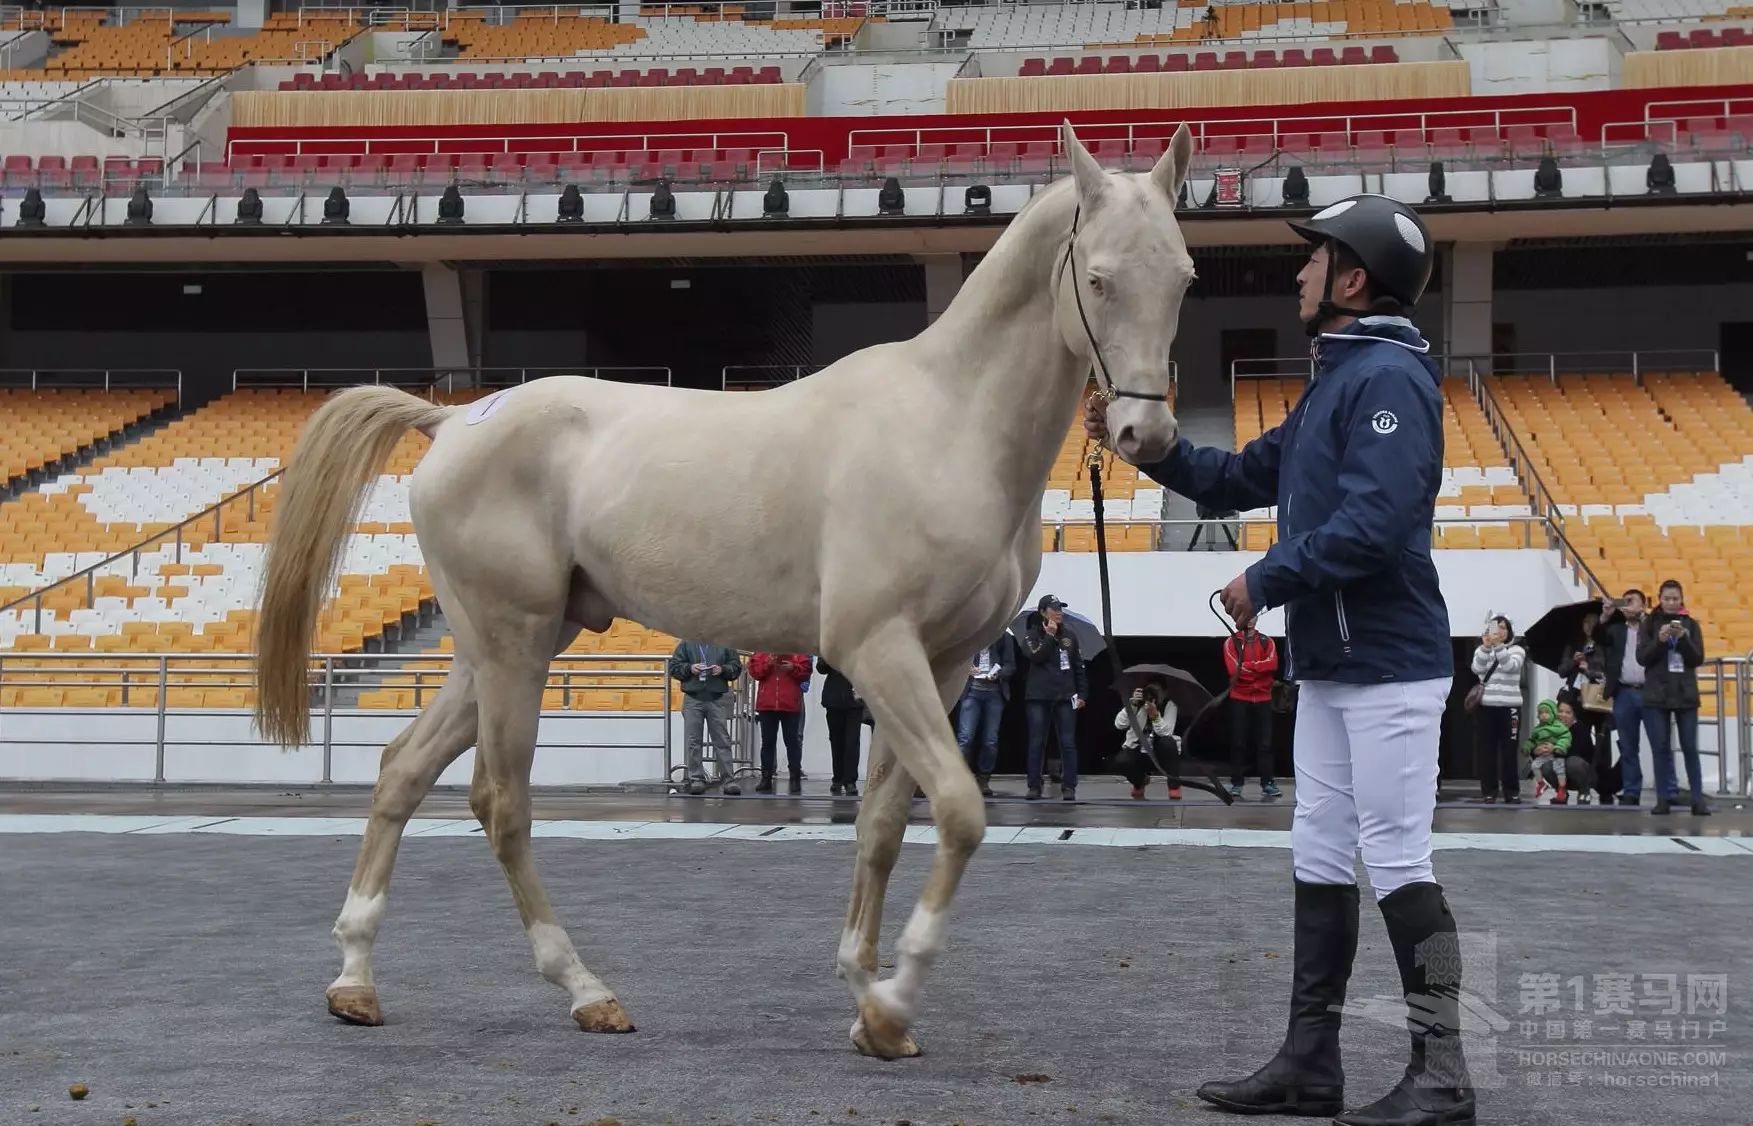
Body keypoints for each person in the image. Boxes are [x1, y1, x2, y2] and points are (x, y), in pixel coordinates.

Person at [1089, 195, 1474, 1124]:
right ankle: (1310, 1064)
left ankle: (1445, 1071)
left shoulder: (1387, 379)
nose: (1297, 273)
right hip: (1336, 666)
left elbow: (1375, 526)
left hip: (1388, 663)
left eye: (1314, 260)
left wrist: (1266, 579)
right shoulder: (1337, 379)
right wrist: (1146, 444)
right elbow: (1233, 478)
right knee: (1319, 852)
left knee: (1396, 857)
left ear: (1352, 280)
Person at [1637, 580, 1709, 816]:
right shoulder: (1648, 624)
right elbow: (1642, 658)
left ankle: (1698, 800)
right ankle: (1662, 799)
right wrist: (1659, 641)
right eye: (1667, 598)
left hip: (1685, 693)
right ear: (1659, 598)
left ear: (1681, 600)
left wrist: (1685, 638)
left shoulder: (1692, 625)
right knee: (1660, 748)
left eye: (1675, 598)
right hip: (1657, 694)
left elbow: (1697, 658)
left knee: (1690, 747)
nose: (1671, 602)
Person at [1018, 594, 1087, 802]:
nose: (1059, 612)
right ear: (1042, 612)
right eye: (1054, 608)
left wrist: (1082, 694)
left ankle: (1069, 787)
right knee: (1037, 741)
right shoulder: (1031, 635)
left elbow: (1078, 667)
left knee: (1068, 742)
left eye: (1060, 608)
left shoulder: (1070, 636)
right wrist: (1049, 636)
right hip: (1039, 696)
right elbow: (1037, 656)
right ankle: (1034, 785)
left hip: (1065, 696)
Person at [666, 640, 743, 796]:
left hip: (717, 698)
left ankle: (729, 780)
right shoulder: (686, 644)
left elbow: (736, 667)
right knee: (693, 741)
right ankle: (696, 779)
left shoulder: (725, 642)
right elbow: (674, 667)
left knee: (722, 740)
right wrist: (689, 668)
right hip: (693, 698)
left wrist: (723, 670)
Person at [1596, 589, 1648, 805]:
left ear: (1642, 605)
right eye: (1624, 602)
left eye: (1631, 601)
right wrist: (1606, 616)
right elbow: (1598, 636)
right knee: (1628, 746)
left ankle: (1667, 793)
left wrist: (1645, 619)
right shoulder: (1616, 630)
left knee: (1659, 743)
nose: (1627, 605)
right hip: (1624, 692)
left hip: (1650, 692)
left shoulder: (1652, 628)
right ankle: (1631, 791)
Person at [1470, 615, 1525, 804]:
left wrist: (1499, 646)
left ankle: (1511, 791)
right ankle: (1489, 791)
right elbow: (1476, 668)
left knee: (1509, 751)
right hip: (1486, 707)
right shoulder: (1482, 649)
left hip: (1510, 708)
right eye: (1496, 627)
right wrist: (1486, 647)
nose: (1500, 631)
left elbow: (1511, 666)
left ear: (1509, 631)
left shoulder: (1517, 650)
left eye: (1504, 628)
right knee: (1487, 751)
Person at [1223, 627, 1282, 800]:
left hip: (1263, 697)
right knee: (1238, 742)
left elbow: (1273, 664)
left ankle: (1268, 783)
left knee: (1265, 744)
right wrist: (1260, 670)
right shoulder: (1230, 642)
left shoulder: (1267, 641)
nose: (1249, 618)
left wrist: (1247, 667)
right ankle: (1237, 784)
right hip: (1239, 697)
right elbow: (1234, 670)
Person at [956, 633, 1014, 798]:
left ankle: (983, 779)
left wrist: (999, 673)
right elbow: (956, 660)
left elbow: (1011, 666)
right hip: (971, 691)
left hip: (994, 693)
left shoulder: (1004, 637)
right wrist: (966, 667)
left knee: (990, 740)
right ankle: (961, 779)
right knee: (965, 738)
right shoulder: (971, 633)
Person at [748, 651, 812, 794]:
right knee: (768, 743)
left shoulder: (796, 649)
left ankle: (795, 778)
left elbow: (806, 671)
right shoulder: (763, 650)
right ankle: (766, 778)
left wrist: (793, 667)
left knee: (792, 742)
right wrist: (768, 663)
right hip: (767, 704)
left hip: (789, 704)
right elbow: (754, 671)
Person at [1115, 684, 1179, 799]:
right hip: (1139, 750)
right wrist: (1132, 704)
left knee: (1169, 743)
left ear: (1165, 693)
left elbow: (1166, 732)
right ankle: (1140, 782)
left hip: (1160, 753)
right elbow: (1119, 724)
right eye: (1150, 691)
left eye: (1157, 692)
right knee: (1121, 761)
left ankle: (1174, 786)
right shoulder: (1136, 704)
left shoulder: (1170, 705)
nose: (1153, 695)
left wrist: (1155, 716)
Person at [815, 658, 864, 797]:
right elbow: (820, 668)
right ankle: (837, 778)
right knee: (836, 742)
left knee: (852, 742)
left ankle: (850, 781)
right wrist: (828, 658)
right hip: (833, 699)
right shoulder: (830, 644)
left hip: (854, 701)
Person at [1522, 698, 1570, 804]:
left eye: (1547, 712)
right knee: (1534, 765)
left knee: (1559, 769)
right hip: (1544, 755)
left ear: (1553, 713)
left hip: (1556, 754)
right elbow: (1532, 740)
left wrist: (1559, 747)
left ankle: (1562, 788)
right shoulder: (1537, 729)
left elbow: (1565, 737)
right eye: (1541, 713)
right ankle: (1541, 783)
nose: (1544, 715)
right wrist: (1528, 747)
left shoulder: (1559, 727)